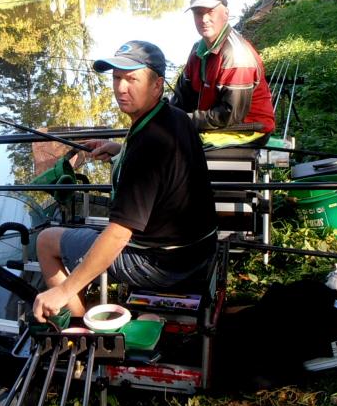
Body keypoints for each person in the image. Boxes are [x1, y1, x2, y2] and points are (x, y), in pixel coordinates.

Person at [32, 41, 217, 322]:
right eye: (117, 78)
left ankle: (81, 331)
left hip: (162, 264)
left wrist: (64, 290)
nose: (120, 88)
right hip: (198, 249)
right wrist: (120, 151)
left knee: (47, 241)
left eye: (131, 79)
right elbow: (165, 169)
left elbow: (119, 234)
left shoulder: (148, 144)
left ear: (157, 85)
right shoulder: (174, 118)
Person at [174, 0, 276, 148]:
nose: (203, 19)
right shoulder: (197, 50)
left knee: (180, 151)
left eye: (210, 12)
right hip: (218, 124)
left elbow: (230, 115)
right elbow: (182, 94)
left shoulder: (236, 56)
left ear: (226, 14)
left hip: (247, 128)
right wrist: (166, 114)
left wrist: (184, 120)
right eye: (198, 14)